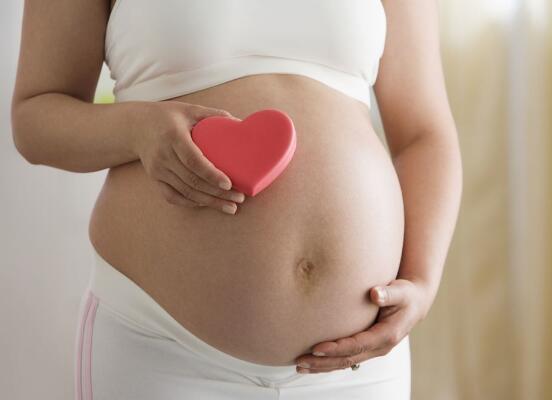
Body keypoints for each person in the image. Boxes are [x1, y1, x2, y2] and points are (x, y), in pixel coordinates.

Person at [10, 0, 462, 399]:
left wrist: (422, 282)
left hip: (357, 366)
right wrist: (137, 130)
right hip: (163, 353)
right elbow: (35, 116)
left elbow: (424, 133)